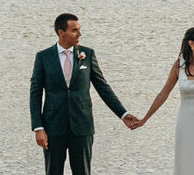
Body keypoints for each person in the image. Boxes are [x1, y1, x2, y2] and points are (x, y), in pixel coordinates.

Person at [30, 12, 141, 175]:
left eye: (79, 29)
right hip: (53, 128)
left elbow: (103, 88)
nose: (79, 34)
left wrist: (123, 114)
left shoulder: (87, 55)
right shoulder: (43, 57)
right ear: (61, 32)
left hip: (82, 127)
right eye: (74, 30)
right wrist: (38, 127)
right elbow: (35, 94)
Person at [134, 27, 194, 175]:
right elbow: (163, 94)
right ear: (191, 43)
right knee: (187, 161)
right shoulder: (179, 65)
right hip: (186, 123)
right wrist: (144, 119)